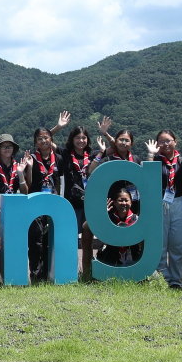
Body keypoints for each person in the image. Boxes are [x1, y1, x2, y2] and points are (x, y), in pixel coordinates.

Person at [23, 112, 70, 282]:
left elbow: (57, 181)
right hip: (35, 202)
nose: (43, 141)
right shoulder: (31, 158)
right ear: (35, 142)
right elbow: (28, 183)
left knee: (50, 238)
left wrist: (58, 199)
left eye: (46, 138)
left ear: (51, 139)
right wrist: (28, 168)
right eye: (40, 139)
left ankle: (49, 273)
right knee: (35, 239)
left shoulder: (57, 158)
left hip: (53, 202)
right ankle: (36, 274)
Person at [0, 134, 31, 284]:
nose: (7, 149)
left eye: (10, 146)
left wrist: (21, 175)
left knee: (12, 245)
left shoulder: (19, 166)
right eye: (4, 146)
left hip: (12, 209)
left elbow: (25, 192)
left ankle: (11, 278)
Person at [146, 130, 182, 288]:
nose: (165, 144)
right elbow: (147, 177)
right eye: (161, 142)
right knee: (160, 244)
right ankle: (163, 279)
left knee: (178, 244)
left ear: (175, 141)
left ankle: (176, 281)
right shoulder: (156, 159)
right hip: (160, 203)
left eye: (168, 140)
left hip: (179, 202)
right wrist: (151, 154)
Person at [59, 125, 98, 277]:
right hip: (71, 203)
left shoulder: (94, 155)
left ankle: (86, 273)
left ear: (87, 139)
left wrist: (105, 133)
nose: (81, 140)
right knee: (69, 240)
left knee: (88, 240)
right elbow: (48, 140)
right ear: (72, 139)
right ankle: (69, 273)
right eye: (77, 137)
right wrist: (59, 126)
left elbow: (112, 148)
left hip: (89, 203)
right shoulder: (65, 154)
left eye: (83, 137)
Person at [96, 182, 142, 268]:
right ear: (114, 202)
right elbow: (87, 226)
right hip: (111, 257)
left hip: (133, 255)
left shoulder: (137, 219)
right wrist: (102, 215)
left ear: (131, 202)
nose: (124, 203)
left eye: (126, 200)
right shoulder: (109, 218)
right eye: (120, 200)